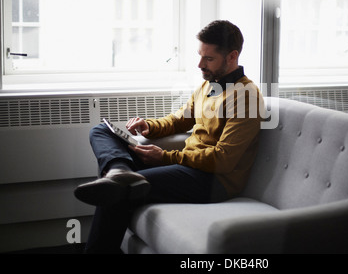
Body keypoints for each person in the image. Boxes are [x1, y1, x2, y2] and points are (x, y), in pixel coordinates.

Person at [74, 20, 264, 253]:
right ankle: (119, 171)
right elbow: (178, 120)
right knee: (102, 130)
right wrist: (150, 126)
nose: (200, 64)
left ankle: (119, 179)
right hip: (187, 165)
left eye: (209, 59)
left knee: (117, 193)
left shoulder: (247, 97)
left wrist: (165, 157)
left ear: (232, 56)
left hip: (213, 180)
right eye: (199, 55)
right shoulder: (209, 85)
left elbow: (224, 159)